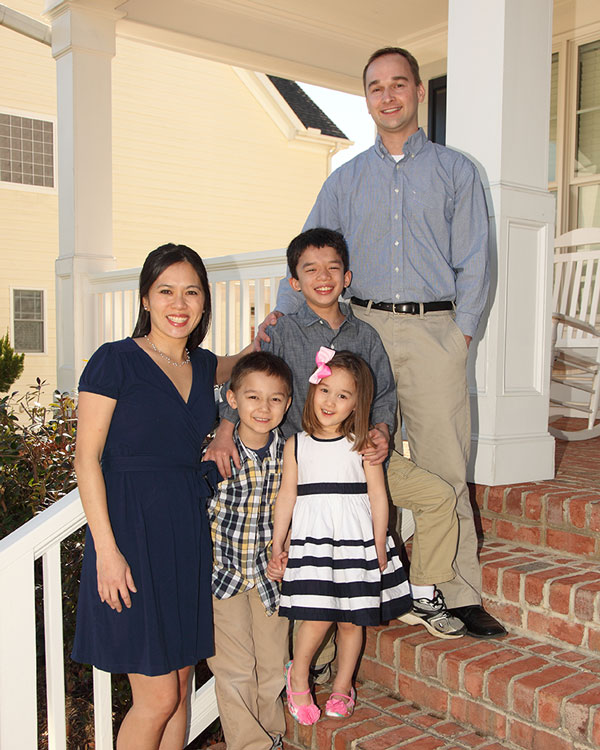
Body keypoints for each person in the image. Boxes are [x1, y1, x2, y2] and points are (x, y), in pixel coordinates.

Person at [272, 48, 505, 639]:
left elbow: (477, 259)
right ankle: (373, 581)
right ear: (367, 98)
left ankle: (455, 589)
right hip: (363, 331)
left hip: (435, 332)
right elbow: (309, 252)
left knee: (443, 460)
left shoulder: (456, 171)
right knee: (357, 455)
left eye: (398, 84)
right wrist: (281, 318)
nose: (388, 95)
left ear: (418, 91)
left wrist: (462, 333)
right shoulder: (345, 180)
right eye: (375, 87)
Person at [207, 228, 464, 641]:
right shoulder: (283, 333)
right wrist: (224, 428)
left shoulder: (365, 335)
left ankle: (421, 590)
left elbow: (384, 395)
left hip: (361, 455)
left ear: (347, 278)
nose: (322, 276)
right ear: (295, 282)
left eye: (332, 268)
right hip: (306, 469)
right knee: (316, 569)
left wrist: (380, 431)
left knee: (438, 496)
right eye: (310, 269)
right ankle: (317, 664)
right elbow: (245, 382)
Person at [72, 243, 253, 750]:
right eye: (166, 291)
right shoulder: (116, 360)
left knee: (178, 688)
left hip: (183, 533)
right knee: (155, 700)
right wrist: (106, 553)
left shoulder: (203, 364)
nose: (180, 303)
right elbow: (86, 459)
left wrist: (224, 424)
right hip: (129, 534)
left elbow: (244, 370)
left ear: (204, 302)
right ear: (146, 299)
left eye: (191, 292)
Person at [267, 350, 412, 726]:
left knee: (351, 621)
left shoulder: (363, 443)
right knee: (316, 617)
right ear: (312, 389)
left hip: (356, 540)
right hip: (314, 540)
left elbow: (378, 496)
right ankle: (298, 675)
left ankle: (342, 686)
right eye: (325, 390)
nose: (330, 401)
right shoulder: (296, 444)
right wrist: (279, 543)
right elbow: (287, 496)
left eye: (343, 395)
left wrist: (380, 544)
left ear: (356, 404)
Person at [206, 351, 293, 750]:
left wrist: (288, 546)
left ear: (287, 403)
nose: (264, 407)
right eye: (253, 397)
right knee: (235, 667)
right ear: (232, 398)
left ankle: (272, 736)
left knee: (274, 665)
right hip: (221, 575)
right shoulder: (214, 452)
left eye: (275, 398)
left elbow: (296, 507)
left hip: (269, 577)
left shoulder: (290, 453)